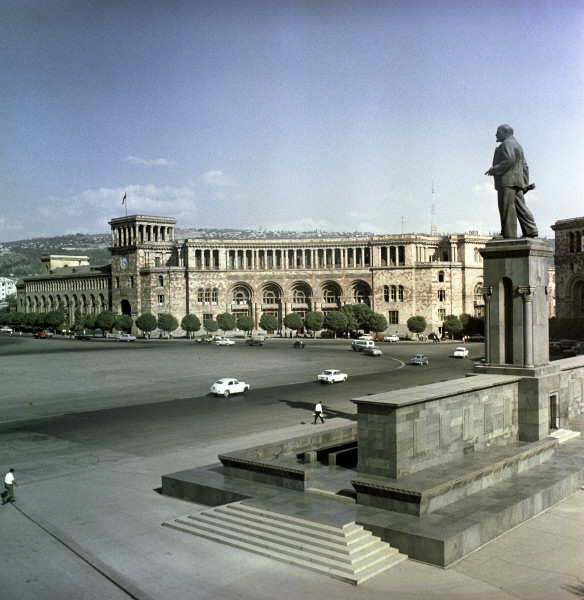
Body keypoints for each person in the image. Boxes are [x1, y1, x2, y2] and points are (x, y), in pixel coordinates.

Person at [485, 124, 538, 239]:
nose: (496, 134)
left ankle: (508, 234)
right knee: (520, 206)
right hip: (517, 182)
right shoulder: (517, 145)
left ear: (505, 132)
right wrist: (524, 183)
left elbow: (509, 160)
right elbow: (525, 166)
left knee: (506, 207)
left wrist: (494, 169)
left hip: (507, 181)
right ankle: (531, 230)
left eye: (498, 132)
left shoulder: (506, 144)